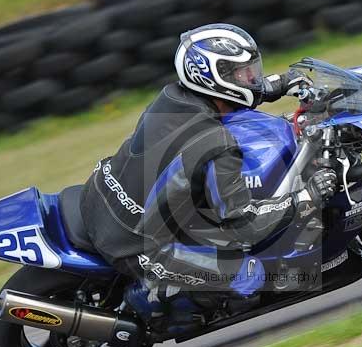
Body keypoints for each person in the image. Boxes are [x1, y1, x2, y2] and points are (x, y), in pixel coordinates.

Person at [80, 23, 337, 331]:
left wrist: (280, 83)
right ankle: (151, 299)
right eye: (243, 73)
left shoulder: (174, 96)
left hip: (102, 196)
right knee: (251, 275)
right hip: (137, 244)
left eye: (251, 71)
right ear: (213, 77)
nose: (251, 78)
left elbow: (233, 96)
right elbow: (244, 224)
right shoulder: (217, 144)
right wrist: (306, 197)